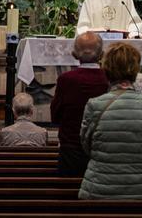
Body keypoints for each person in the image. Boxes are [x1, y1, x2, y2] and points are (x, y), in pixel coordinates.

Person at [79, 42, 142, 200]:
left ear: (106, 69)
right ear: (136, 69)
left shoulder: (95, 105)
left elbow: (86, 145)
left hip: (99, 188)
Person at [51, 32, 110, 176]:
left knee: (67, 194)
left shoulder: (66, 79)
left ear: (74, 54)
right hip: (101, 147)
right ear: (101, 54)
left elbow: (56, 114)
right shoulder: (108, 78)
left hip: (71, 148)